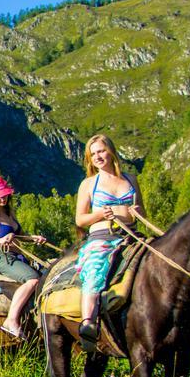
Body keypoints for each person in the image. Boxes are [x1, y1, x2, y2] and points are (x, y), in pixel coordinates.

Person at [73, 134, 144, 347]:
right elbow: (80, 219)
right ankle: (88, 323)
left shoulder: (131, 179)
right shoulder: (88, 184)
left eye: (101, 151)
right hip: (102, 236)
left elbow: (142, 214)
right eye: (93, 154)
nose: (98, 156)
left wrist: (136, 212)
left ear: (111, 151)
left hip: (131, 235)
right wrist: (101, 215)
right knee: (95, 271)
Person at [0, 176, 47, 337]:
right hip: (3, 258)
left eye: (5, 194)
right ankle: (11, 320)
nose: (3, 197)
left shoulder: (9, 212)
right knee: (33, 279)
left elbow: (20, 236)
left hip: (18, 258)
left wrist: (33, 238)